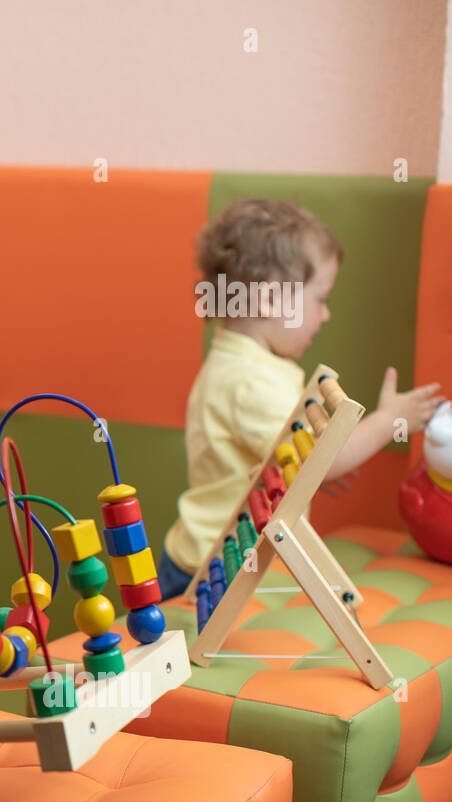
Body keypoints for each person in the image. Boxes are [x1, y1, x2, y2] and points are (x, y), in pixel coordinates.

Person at [158, 198, 443, 599]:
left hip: (214, 559)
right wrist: (390, 420)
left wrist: (289, 469)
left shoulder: (241, 362)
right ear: (271, 300)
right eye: (320, 298)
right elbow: (325, 459)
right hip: (211, 572)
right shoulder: (251, 381)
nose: (325, 315)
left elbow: (270, 456)